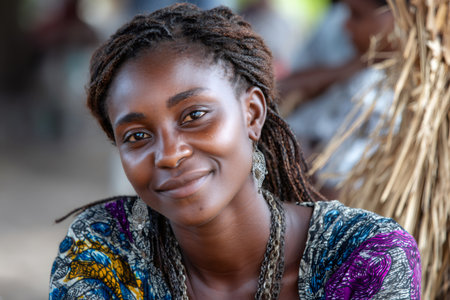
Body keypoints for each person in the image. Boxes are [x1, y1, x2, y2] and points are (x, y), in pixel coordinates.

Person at [49, 4, 421, 299]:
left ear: (252, 114)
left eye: (194, 115)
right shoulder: (105, 249)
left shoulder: (366, 255)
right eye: (136, 136)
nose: (169, 154)